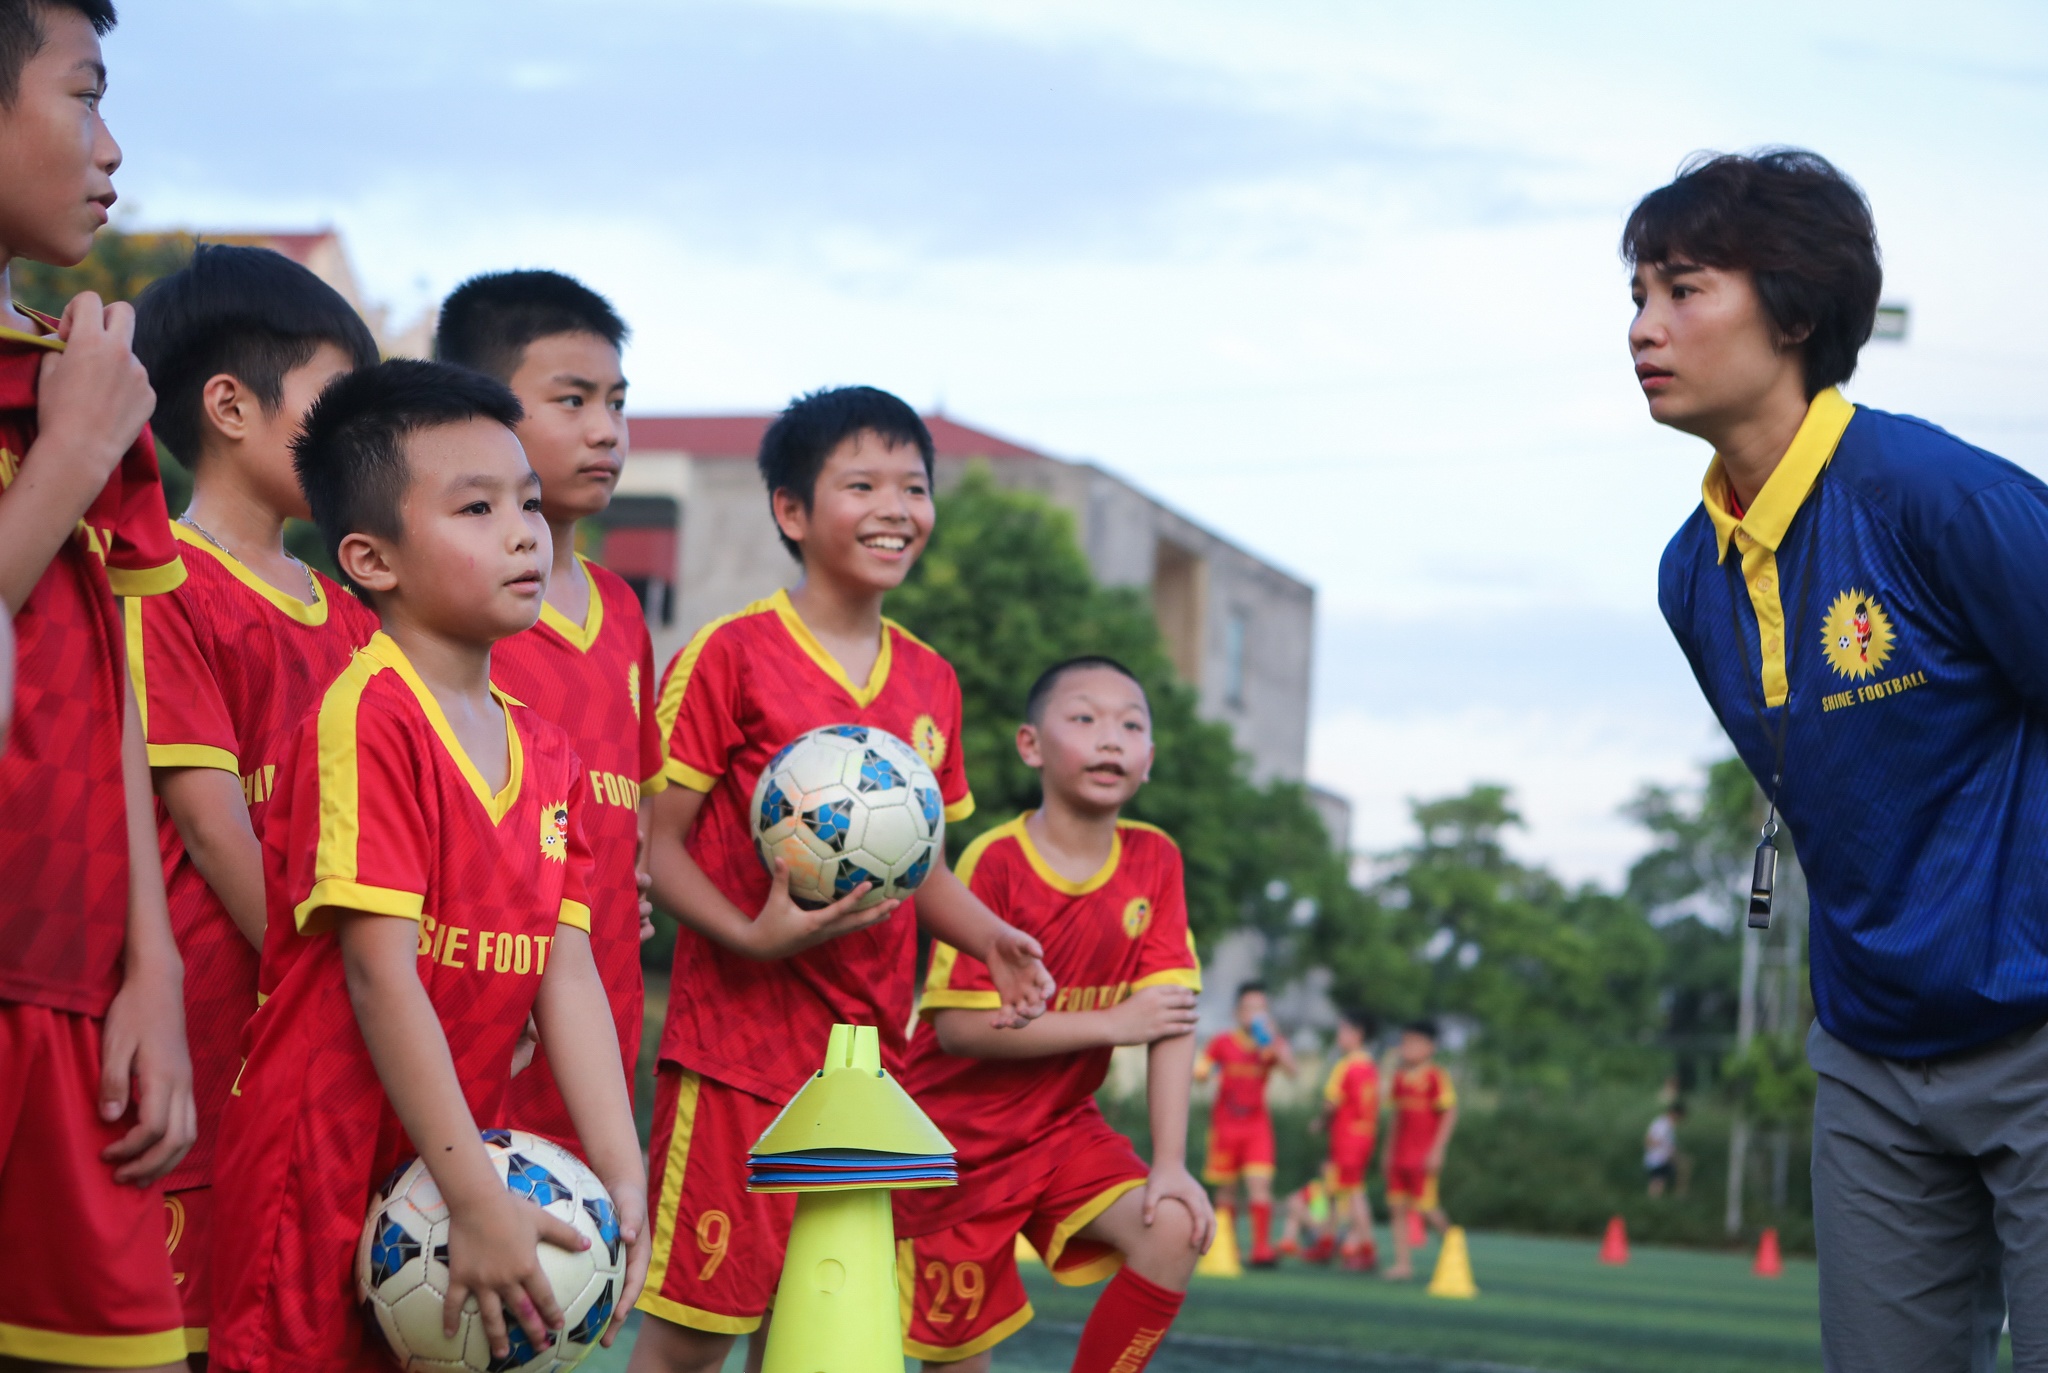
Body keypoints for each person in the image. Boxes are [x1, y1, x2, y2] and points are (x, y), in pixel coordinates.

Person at [1632, 147, 2048, 1369]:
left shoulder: (1935, 495)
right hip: (1868, 1051)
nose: (1643, 328)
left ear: (1794, 313)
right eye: (1636, 297)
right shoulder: (1686, 574)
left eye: (1683, 289)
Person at [206, 361, 649, 1373]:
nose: (523, 530)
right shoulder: (370, 715)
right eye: (477, 506)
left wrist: (620, 1169)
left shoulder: (548, 751)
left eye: (528, 502)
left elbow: (565, 971)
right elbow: (379, 971)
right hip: (318, 1160)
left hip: (449, 1162)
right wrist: (471, 1194)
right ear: (371, 557)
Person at [631, 386, 1053, 1373]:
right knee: (692, 1339)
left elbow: (923, 869)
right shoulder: (728, 657)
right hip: (736, 1053)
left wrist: (986, 933)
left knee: (822, 1333)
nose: (894, 506)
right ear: (790, 510)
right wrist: (749, 935)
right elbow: (652, 846)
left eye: (913, 484)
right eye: (861, 483)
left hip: (865, 1064)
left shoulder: (931, 679)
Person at [125, 243, 381, 1352]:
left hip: (331, 1035)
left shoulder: (357, 615)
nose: (362, 443)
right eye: (338, 405)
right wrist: (334, 970)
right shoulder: (163, 584)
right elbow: (205, 816)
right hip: (219, 1022)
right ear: (231, 405)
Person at [0, 3, 195, 1365]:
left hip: (68, 998)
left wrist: (152, 965)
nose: (110, 145)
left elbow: (110, 689)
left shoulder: (75, 369)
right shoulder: (79, 409)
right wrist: (62, 461)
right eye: (83, 95)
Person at [896, 656, 1210, 1373]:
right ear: (1031, 745)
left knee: (1176, 1225)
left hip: (1062, 1130)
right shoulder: (995, 860)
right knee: (959, 1360)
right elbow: (959, 1027)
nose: (1111, 738)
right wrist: (1112, 1023)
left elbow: (1170, 1016)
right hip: (954, 1149)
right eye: (1085, 718)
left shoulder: (1156, 859)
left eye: (1131, 725)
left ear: (1149, 760)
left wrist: (1169, 1164)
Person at [433, 269, 664, 1145]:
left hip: (603, 1004)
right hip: (485, 1016)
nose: (606, 430)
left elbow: (628, 802)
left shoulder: (624, 610)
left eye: (617, 401)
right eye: (572, 400)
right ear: (486, 411)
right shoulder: (453, 606)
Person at [1196, 981, 1295, 1267]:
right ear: (1237, 1012)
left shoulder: (1269, 1044)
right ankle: (1227, 1247)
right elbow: (1202, 1072)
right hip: (1225, 1124)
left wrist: (1274, 1042)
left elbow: (1292, 1071)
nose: (1254, 1014)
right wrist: (1211, 1073)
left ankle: (1261, 1249)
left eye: (1260, 1008)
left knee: (1259, 1184)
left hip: (1257, 1125)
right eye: (1249, 1008)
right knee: (1226, 1189)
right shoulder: (1222, 1042)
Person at [1382, 1019, 1456, 1281]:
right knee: (1397, 1208)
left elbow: (1449, 1113)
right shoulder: (1400, 1077)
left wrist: (1438, 1150)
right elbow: (1396, 1118)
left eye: (1414, 1042)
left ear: (1430, 1047)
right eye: (1405, 1042)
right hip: (1399, 1155)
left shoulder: (1436, 1077)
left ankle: (1454, 1248)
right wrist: (1387, 1151)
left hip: (1422, 1156)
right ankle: (1403, 1264)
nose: (1407, 1048)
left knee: (1427, 1207)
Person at [1316, 1006, 1381, 1270]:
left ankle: (1366, 1249)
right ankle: (1327, 1243)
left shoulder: (1346, 1066)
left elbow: (1331, 1104)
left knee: (1353, 1193)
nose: (1339, 1035)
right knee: (1334, 1189)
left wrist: (1320, 1122)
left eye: (1343, 1030)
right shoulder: (1370, 1067)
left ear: (1358, 1034)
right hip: (1364, 1136)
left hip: (1347, 1139)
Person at [1275, 1177, 1333, 1264]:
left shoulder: (1342, 1187)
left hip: (1330, 1233)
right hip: (1319, 1230)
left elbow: (1294, 1202)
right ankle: (1288, 1243)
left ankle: (1288, 1242)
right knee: (1294, 1208)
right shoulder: (1317, 1186)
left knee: (1295, 1207)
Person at [1644, 1100, 1683, 1198]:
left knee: (1660, 1182)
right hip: (1657, 1158)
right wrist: (1666, 1149)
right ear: (1675, 1114)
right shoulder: (1663, 1124)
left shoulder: (1666, 1124)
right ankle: (1653, 1204)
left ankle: (1655, 1203)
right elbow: (1649, 1141)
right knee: (1657, 1183)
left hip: (1663, 1158)